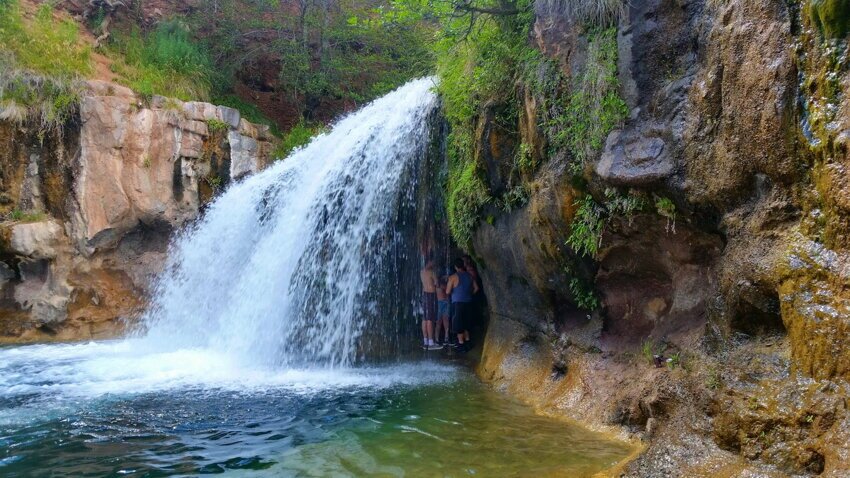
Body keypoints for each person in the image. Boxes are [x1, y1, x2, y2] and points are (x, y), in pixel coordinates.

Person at [445, 258, 478, 351]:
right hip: (468, 302)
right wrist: (468, 294)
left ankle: (461, 344)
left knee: (458, 324)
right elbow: (476, 288)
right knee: (466, 323)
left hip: (457, 304)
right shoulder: (469, 276)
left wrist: (454, 293)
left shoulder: (453, 277)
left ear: (455, 267)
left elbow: (447, 291)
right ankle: (468, 342)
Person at [419, 259, 442, 350]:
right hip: (430, 295)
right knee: (430, 319)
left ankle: (425, 341)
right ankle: (431, 343)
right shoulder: (432, 272)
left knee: (424, 318)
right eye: (432, 262)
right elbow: (437, 284)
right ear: (429, 262)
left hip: (424, 295)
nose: (434, 263)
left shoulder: (421, 271)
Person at [435, 276, 451, 345]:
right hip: (441, 303)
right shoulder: (440, 285)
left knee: (444, 321)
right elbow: (448, 291)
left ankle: (444, 338)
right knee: (440, 321)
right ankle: (438, 339)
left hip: (443, 303)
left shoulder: (439, 285)